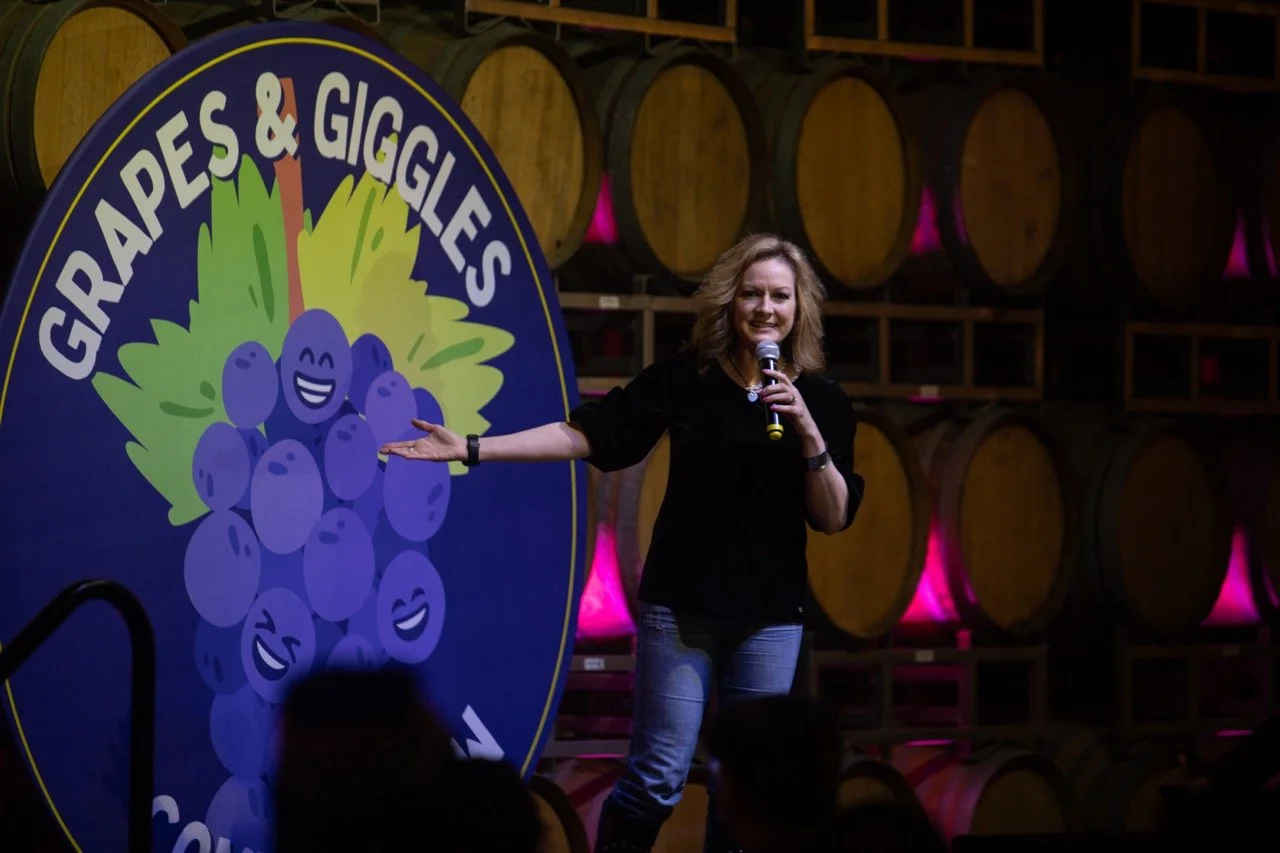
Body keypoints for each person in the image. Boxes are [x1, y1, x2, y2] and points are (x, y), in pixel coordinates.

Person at [381, 233, 866, 853]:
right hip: (684, 607)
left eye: (779, 295)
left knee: (750, 790)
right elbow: (588, 434)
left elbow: (832, 516)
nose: (765, 308)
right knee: (657, 779)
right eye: (751, 293)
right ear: (729, 301)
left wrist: (806, 431)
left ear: (799, 308)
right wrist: (472, 448)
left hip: (770, 618)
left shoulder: (821, 401)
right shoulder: (685, 380)